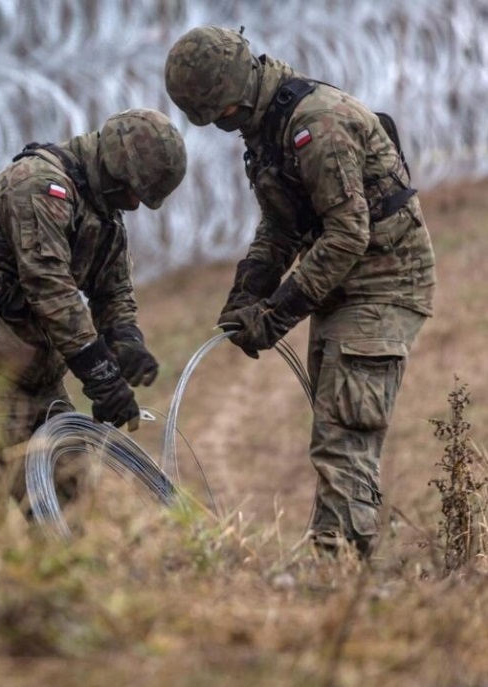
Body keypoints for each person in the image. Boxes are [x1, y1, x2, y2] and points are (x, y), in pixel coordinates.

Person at [164, 26, 436, 558]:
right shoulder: (269, 128)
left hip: (384, 285)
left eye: (222, 116)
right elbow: (279, 229)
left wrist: (280, 311)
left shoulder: (317, 123)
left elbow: (348, 232)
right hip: (344, 285)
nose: (223, 126)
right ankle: (337, 564)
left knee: (345, 434)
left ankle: (337, 572)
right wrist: (246, 296)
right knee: (335, 426)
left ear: (236, 96)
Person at [0, 108, 187, 550]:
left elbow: (113, 288)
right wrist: (101, 376)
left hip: (37, 370)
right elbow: (50, 288)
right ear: (117, 164)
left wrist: (125, 339)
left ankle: (50, 599)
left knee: (66, 488)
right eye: (135, 191)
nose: (136, 204)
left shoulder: (103, 211)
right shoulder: (40, 185)